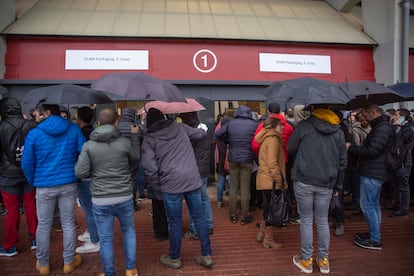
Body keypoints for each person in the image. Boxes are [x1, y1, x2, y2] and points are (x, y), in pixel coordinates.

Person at [141, 108, 213, 269]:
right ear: (164, 117)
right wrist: (202, 127)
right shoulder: (180, 127)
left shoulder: (149, 140)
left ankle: (174, 258)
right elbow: (200, 135)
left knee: (174, 222)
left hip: (170, 184)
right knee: (199, 217)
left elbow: (150, 169)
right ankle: (206, 254)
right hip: (192, 179)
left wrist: (157, 188)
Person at [75, 108, 140, 276]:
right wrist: (134, 137)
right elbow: (135, 157)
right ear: (116, 122)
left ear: (98, 123)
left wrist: (96, 172)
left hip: (101, 198)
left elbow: (80, 172)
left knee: (105, 239)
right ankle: (130, 269)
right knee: (129, 231)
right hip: (124, 195)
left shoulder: (88, 146)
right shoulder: (124, 142)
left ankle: (109, 273)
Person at [21, 104, 84, 275]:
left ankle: (43, 264)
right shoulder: (73, 129)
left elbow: (26, 162)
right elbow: (83, 153)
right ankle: (69, 261)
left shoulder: (35, 133)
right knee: (68, 223)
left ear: (47, 113)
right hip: (69, 182)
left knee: (43, 225)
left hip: (43, 185)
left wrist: (33, 180)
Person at [287, 105, 347, 274]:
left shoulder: (304, 126)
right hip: (327, 182)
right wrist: (338, 185)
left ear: (313, 108)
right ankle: (323, 260)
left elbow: (290, 147)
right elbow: (343, 162)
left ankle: (306, 261)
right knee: (322, 220)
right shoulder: (338, 131)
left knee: (306, 219)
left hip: (304, 179)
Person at [346, 103, 394, 250]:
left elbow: (372, 151)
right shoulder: (381, 127)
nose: (364, 117)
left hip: (373, 171)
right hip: (376, 171)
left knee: (367, 205)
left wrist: (351, 148)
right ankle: (374, 234)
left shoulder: (382, 128)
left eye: (365, 114)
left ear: (373, 113)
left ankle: (375, 239)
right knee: (373, 205)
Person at [0, 97, 37, 257]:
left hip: (8, 174)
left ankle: (10, 245)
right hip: (28, 171)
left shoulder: (1, 127)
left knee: (12, 210)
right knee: (31, 206)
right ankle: (36, 239)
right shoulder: (30, 125)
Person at [215, 105, 258, 225]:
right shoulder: (253, 124)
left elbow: (218, 134)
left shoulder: (231, 123)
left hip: (233, 157)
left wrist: (228, 141)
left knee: (233, 186)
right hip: (247, 158)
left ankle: (233, 214)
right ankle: (245, 215)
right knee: (245, 187)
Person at [180, 111, 214, 239]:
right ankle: (209, 224)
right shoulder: (203, 128)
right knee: (204, 197)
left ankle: (195, 229)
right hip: (204, 168)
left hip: (194, 169)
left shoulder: (192, 133)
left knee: (193, 200)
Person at [255, 117, 287, 249]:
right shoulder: (273, 140)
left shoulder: (266, 138)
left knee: (267, 207)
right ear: (273, 127)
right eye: (280, 126)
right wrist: (278, 180)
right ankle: (268, 239)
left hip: (264, 179)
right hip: (271, 180)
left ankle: (262, 233)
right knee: (271, 210)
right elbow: (273, 162)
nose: (283, 128)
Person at [74, 106, 100, 254]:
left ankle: (95, 239)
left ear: (79, 118)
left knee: (89, 209)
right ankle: (91, 232)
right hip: (95, 174)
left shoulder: (80, 134)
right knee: (91, 208)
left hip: (85, 176)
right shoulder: (95, 133)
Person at [388, 108, 414, 218]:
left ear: (402, 116)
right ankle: (398, 205)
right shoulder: (403, 127)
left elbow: (399, 141)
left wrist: (397, 127)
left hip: (404, 161)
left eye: (397, 115)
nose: (394, 117)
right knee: (398, 184)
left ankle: (403, 209)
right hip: (399, 160)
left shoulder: (408, 129)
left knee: (403, 185)